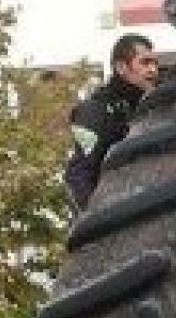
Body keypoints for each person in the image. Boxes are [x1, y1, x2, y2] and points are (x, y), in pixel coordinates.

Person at [63, 34, 160, 212]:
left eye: (155, 63)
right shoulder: (96, 110)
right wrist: (96, 223)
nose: (153, 70)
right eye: (145, 63)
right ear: (121, 67)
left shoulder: (152, 108)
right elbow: (78, 176)